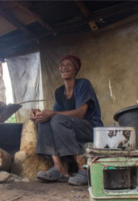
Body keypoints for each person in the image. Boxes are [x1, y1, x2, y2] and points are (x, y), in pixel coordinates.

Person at [30, 55, 103, 186]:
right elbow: (53, 113)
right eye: (62, 65)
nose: (64, 67)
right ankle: (59, 169)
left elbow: (81, 113)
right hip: (71, 126)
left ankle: (83, 170)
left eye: (68, 65)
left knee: (57, 119)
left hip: (90, 128)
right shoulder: (59, 92)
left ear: (75, 69)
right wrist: (39, 114)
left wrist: (52, 114)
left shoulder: (83, 84)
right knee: (45, 120)